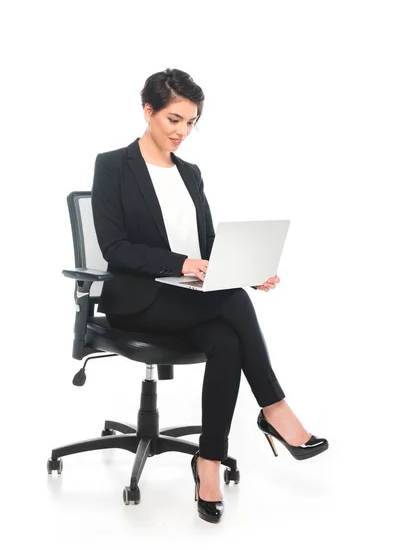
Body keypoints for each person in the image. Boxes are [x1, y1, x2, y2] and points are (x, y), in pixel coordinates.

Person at [91, 68, 328, 524]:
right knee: (234, 303)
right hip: (137, 300)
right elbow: (114, 247)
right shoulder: (112, 165)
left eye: (191, 122)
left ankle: (209, 462)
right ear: (148, 111)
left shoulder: (190, 173)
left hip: (189, 299)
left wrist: (247, 270)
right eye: (174, 119)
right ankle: (275, 410)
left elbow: (205, 241)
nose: (182, 132)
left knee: (227, 339)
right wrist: (180, 264)